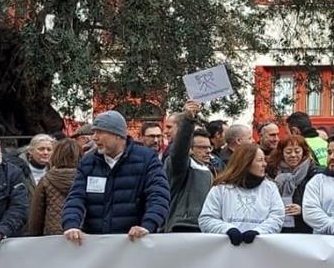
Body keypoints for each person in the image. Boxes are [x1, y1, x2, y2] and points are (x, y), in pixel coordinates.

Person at [59, 109, 169, 243]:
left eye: (100, 132)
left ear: (118, 135)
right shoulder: (88, 162)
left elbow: (158, 196)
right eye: (94, 132)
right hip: (96, 244)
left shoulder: (147, 159)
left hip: (133, 243)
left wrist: (148, 225)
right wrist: (71, 224)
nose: (94, 137)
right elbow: (76, 196)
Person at [196, 142, 286, 239]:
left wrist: (258, 232)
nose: (264, 164)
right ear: (246, 162)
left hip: (260, 248)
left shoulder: (270, 188)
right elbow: (207, 219)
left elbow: (277, 217)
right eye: (260, 160)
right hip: (227, 248)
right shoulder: (221, 188)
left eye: (264, 160)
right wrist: (228, 230)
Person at [162, 104, 218, 233]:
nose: (208, 151)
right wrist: (188, 120)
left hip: (206, 227)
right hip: (183, 226)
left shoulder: (212, 169)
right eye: (202, 148)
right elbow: (180, 148)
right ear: (190, 149)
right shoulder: (180, 165)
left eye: (209, 147)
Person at [27, 138, 82, 236]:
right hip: (81, 233)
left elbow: (36, 216)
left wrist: (33, 236)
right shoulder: (86, 179)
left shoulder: (46, 180)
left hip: (53, 235)